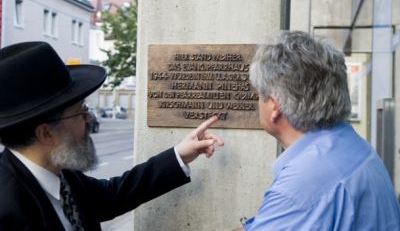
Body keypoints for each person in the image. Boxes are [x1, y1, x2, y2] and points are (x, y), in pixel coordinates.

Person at [0, 41, 223, 230]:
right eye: (80, 112)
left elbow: (111, 196)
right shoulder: (7, 208)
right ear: (46, 133)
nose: (88, 119)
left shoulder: (59, 171)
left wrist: (179, 155)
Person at [239, 31, 400, 230]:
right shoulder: (355, 147)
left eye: (259, 95)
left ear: (274, 106)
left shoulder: (302, 186)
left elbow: (302, 204)